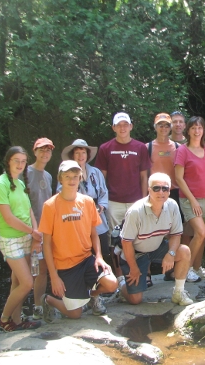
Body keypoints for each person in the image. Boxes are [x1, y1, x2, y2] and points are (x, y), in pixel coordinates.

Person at [39, 160, 117, 322]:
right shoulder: (50, 206)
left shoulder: (87, 202)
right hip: (65, 266)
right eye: (67, 176)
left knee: (111, 283)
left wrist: (99, 257)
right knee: (75, 314)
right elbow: (46, 244)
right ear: (60, 179)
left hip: (86, 259)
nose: (72, 180)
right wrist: (54, 276)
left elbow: (94, 234)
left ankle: (92, 297)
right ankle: (49, 300)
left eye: (75, 176)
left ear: (80, 177)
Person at [118, 172, 194, 306]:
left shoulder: (172, 206)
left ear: (169, 191)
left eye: (165, 188)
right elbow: (126, 242)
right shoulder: (136, 211)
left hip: (157, 248)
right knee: (135, 300)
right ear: (149, 190)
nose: (161, 192)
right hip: (136, 254)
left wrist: (170, 254)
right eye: (156, 188)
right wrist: (133, 268)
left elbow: (176, 234)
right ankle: (122, 286)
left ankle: (179, 292)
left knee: (184, 251)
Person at [0, 146, 42, 331]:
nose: (20, 164)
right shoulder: (0, 184)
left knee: (18, 282)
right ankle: (4, 319)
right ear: (8, 161)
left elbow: (29, 211)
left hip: (26, 237)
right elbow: (9, 218)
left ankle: (17, 321)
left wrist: (36, 234)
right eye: (16, 160)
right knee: (27, 282)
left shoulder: (19, 183)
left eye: (23, 161)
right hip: (10, 239)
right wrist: (32, 232)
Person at [95, 112, 151, 277]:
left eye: (125, 124)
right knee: (115, 240)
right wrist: (102, 201)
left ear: (131, 126)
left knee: (140, 238)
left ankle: (144, 274)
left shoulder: (140, 147)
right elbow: (101, 178)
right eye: (119, 125)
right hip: (114, 201)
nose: (122, 127)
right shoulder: (105, 148)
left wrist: (144, 201)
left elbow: (143, 176)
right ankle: (119, 277)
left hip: (136, 201)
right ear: (113, 127)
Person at [174, 116, 205, 283]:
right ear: (188, 130)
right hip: (188, 199)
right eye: (193, 128)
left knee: (202, 234)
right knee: (200, 232)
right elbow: (179, 178)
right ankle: (184, 271)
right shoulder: (182, 151)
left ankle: (196, 268)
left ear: (203, 130)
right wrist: (193, 201)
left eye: (199, 127)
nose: (196, 131)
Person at [59, 139, 110, 267]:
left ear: (87, 155)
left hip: (98, 216)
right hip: (77, 217)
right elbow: (60, 195)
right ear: (72, 155)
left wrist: (102, 206)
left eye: (83, 152)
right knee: (82, 256)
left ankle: (105, 282)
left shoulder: (96, 172)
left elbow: (104, 192)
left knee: (103, 252)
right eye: (77, 153)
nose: (81, 156)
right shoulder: (65, 174)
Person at [146, 113, 181, 286]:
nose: (164, 128)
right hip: (154, 192)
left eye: (167, 125)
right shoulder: (148, 147)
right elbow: (144, 172)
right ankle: (149, 272)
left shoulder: (177, 146)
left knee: (171, 231)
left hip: (173, 192)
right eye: (160, 125)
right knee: (151, 232)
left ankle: (171, 270)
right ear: (155, 127)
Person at [26, 138, 54, 320]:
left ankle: (38, 307)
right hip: (28, 230)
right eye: (41, 150)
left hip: (45, 230)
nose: (45, 154)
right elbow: (24, 205)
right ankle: (16, 312)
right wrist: (32, 231)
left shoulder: (49, 176)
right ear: (34, 152)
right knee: (24, 274)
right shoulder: (25, 173)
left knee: (42, 271)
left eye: (48, 151)